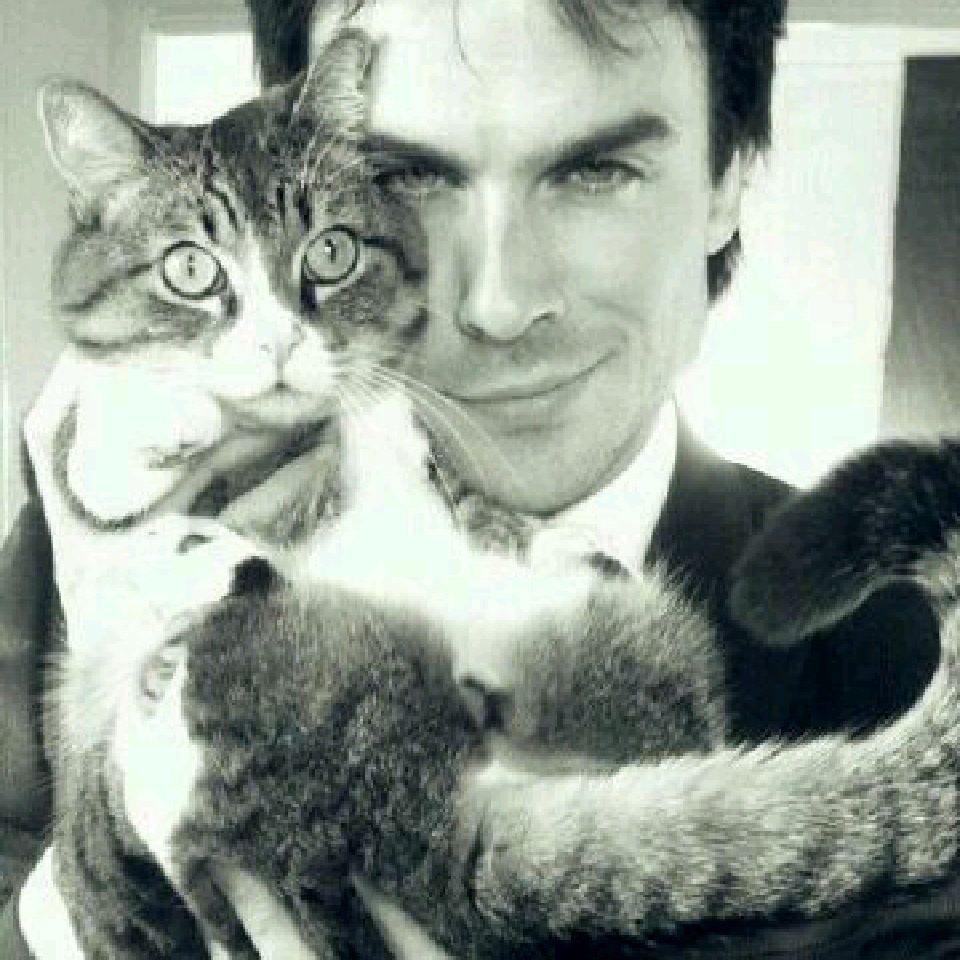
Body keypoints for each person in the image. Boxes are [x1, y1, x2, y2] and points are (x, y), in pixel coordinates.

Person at [0, 0, 954, 956]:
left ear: (727, 182)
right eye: (408, 176)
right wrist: (88, 894)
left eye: (595, 171)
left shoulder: (895, 643)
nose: (500, 304)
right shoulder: (75, 572)